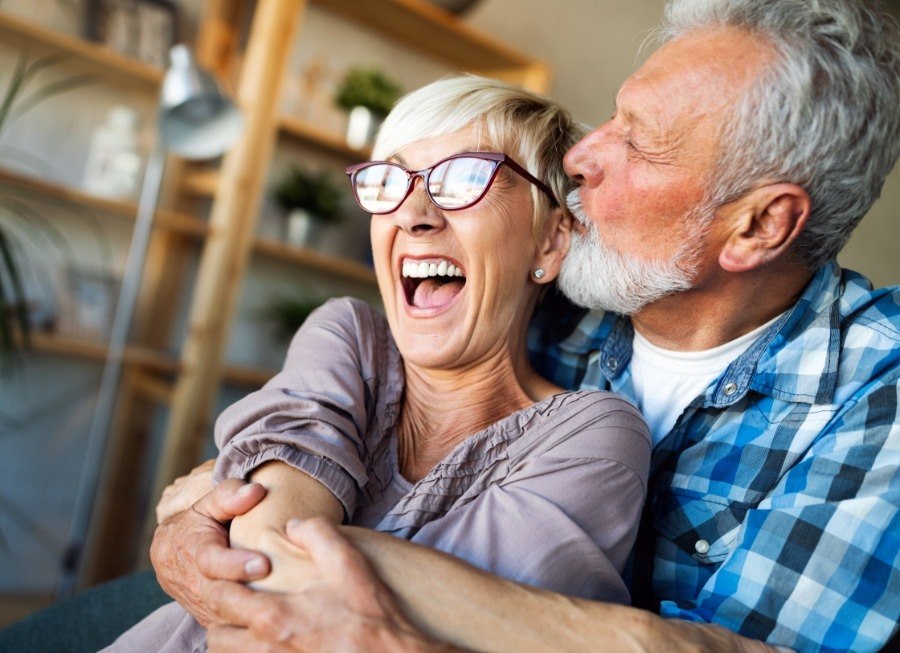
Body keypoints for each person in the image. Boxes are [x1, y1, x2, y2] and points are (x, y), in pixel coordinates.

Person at [147, 0, 900, 651]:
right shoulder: (550, 305)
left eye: (638, 141)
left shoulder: (878, 391)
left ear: (759, 225)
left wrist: (244, 518)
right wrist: (202, 519)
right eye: (611, 116)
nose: (580, 154)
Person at [103, 76, 652, 651]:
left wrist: (217, 507)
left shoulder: (595, 437)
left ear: (550, 240)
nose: (413, 214)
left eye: (465, 178)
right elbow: (279, 558)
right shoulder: (348, 336)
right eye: (389, 180)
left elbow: (473, 621)